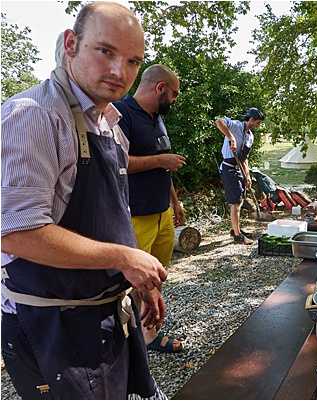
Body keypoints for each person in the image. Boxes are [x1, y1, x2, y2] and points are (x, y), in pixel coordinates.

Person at [1, 2, 167, 399]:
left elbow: (110, 215)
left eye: (132, 61)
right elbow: (15, 233)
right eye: (105, 52)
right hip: (52, 325)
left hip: (102, 313)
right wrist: (123, 257)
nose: (119, 72)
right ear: (71, 43)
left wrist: (134, 275)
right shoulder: (34, 116)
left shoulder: (110, 124)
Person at [114, 64, 185, 353]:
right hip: (135, 215)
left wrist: (174, 201)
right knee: (133, 281)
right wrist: (160, 161)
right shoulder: (122, 113)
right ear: (160, 88)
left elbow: (162, 163)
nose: (175, 100)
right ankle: (126, 337)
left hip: (162, 213)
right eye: (174, 94)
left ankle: (149, 334)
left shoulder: (157, 118)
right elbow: (117, 163)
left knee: (157, 277)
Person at [215, 108, 265, 245]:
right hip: (228, 167)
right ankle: (238, 236)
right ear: (251, 119)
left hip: (238, 167)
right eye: (258, 122)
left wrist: (247, 175)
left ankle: (235, 229)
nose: (258, 125)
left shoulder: (250, 137)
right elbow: (218, 121)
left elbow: (244, 158)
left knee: (240, 201)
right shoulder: (235, 125)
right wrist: (230, 137)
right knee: (235, 202)